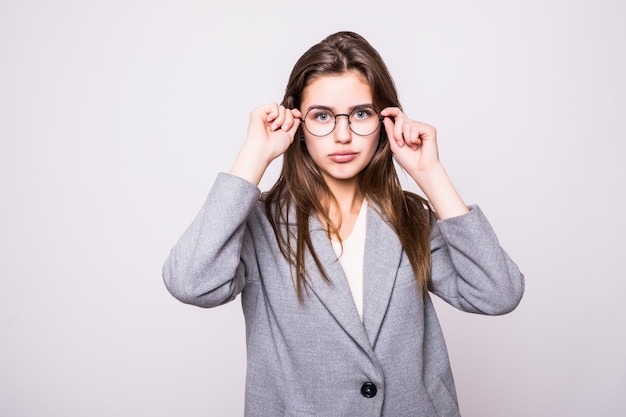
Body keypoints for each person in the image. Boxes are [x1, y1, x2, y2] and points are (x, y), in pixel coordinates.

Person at [163, 31, 524, 417]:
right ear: (297, 124)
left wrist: (431, 173)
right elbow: (191, 282)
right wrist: (253, 155)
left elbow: (497, 293)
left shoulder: (411, 219)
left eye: (360, 114)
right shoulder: (260, 226)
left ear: (385, 119)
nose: (343, 135)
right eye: (321, 116)